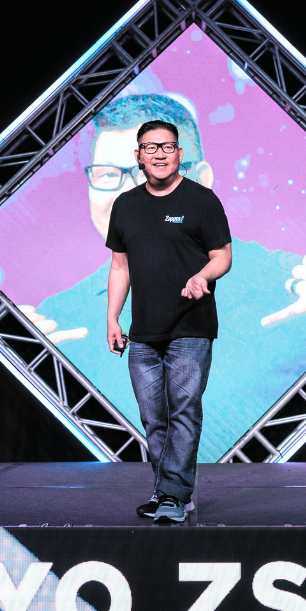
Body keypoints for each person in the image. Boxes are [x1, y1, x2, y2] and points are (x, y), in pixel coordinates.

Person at [20, 94, 306, 467]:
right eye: (108, 175)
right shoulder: (57, 322)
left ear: (201, 180)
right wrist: (19, 361)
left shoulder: (304, 288)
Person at [103, 119, 232, 523]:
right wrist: (112, 318)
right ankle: (168, 493)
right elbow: (120, 267)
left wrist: (202, 276)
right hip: (143, 332)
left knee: (183, 411)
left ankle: (174, 494)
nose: (159, 154)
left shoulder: (202, 200)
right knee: (153, 418)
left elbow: (223, 256)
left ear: (180, 154)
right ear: (138, 156)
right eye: (150, 147)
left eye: (167, 146)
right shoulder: (126, 205)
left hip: (190, 327)